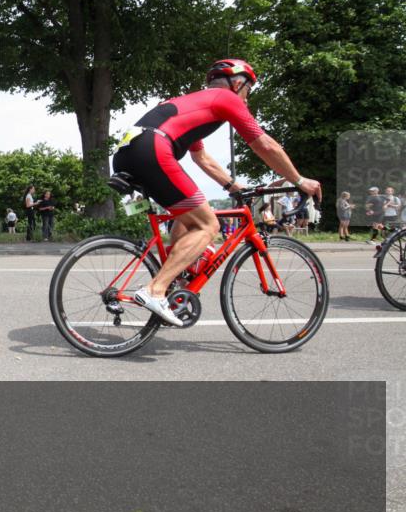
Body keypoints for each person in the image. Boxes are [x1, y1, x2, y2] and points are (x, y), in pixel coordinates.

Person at [111, 58, 320, 326]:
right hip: (153, 148)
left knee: (189, 217)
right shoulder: (226, 98)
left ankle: (175, 280)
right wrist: (299, 179)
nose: (247, 97)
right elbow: (264, 144)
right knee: (207, 225)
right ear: (237, 83)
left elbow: (202, 159)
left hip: (128, 152)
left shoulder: (191, 104)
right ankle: (155, 290)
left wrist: (232, 187)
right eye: (248, 90)